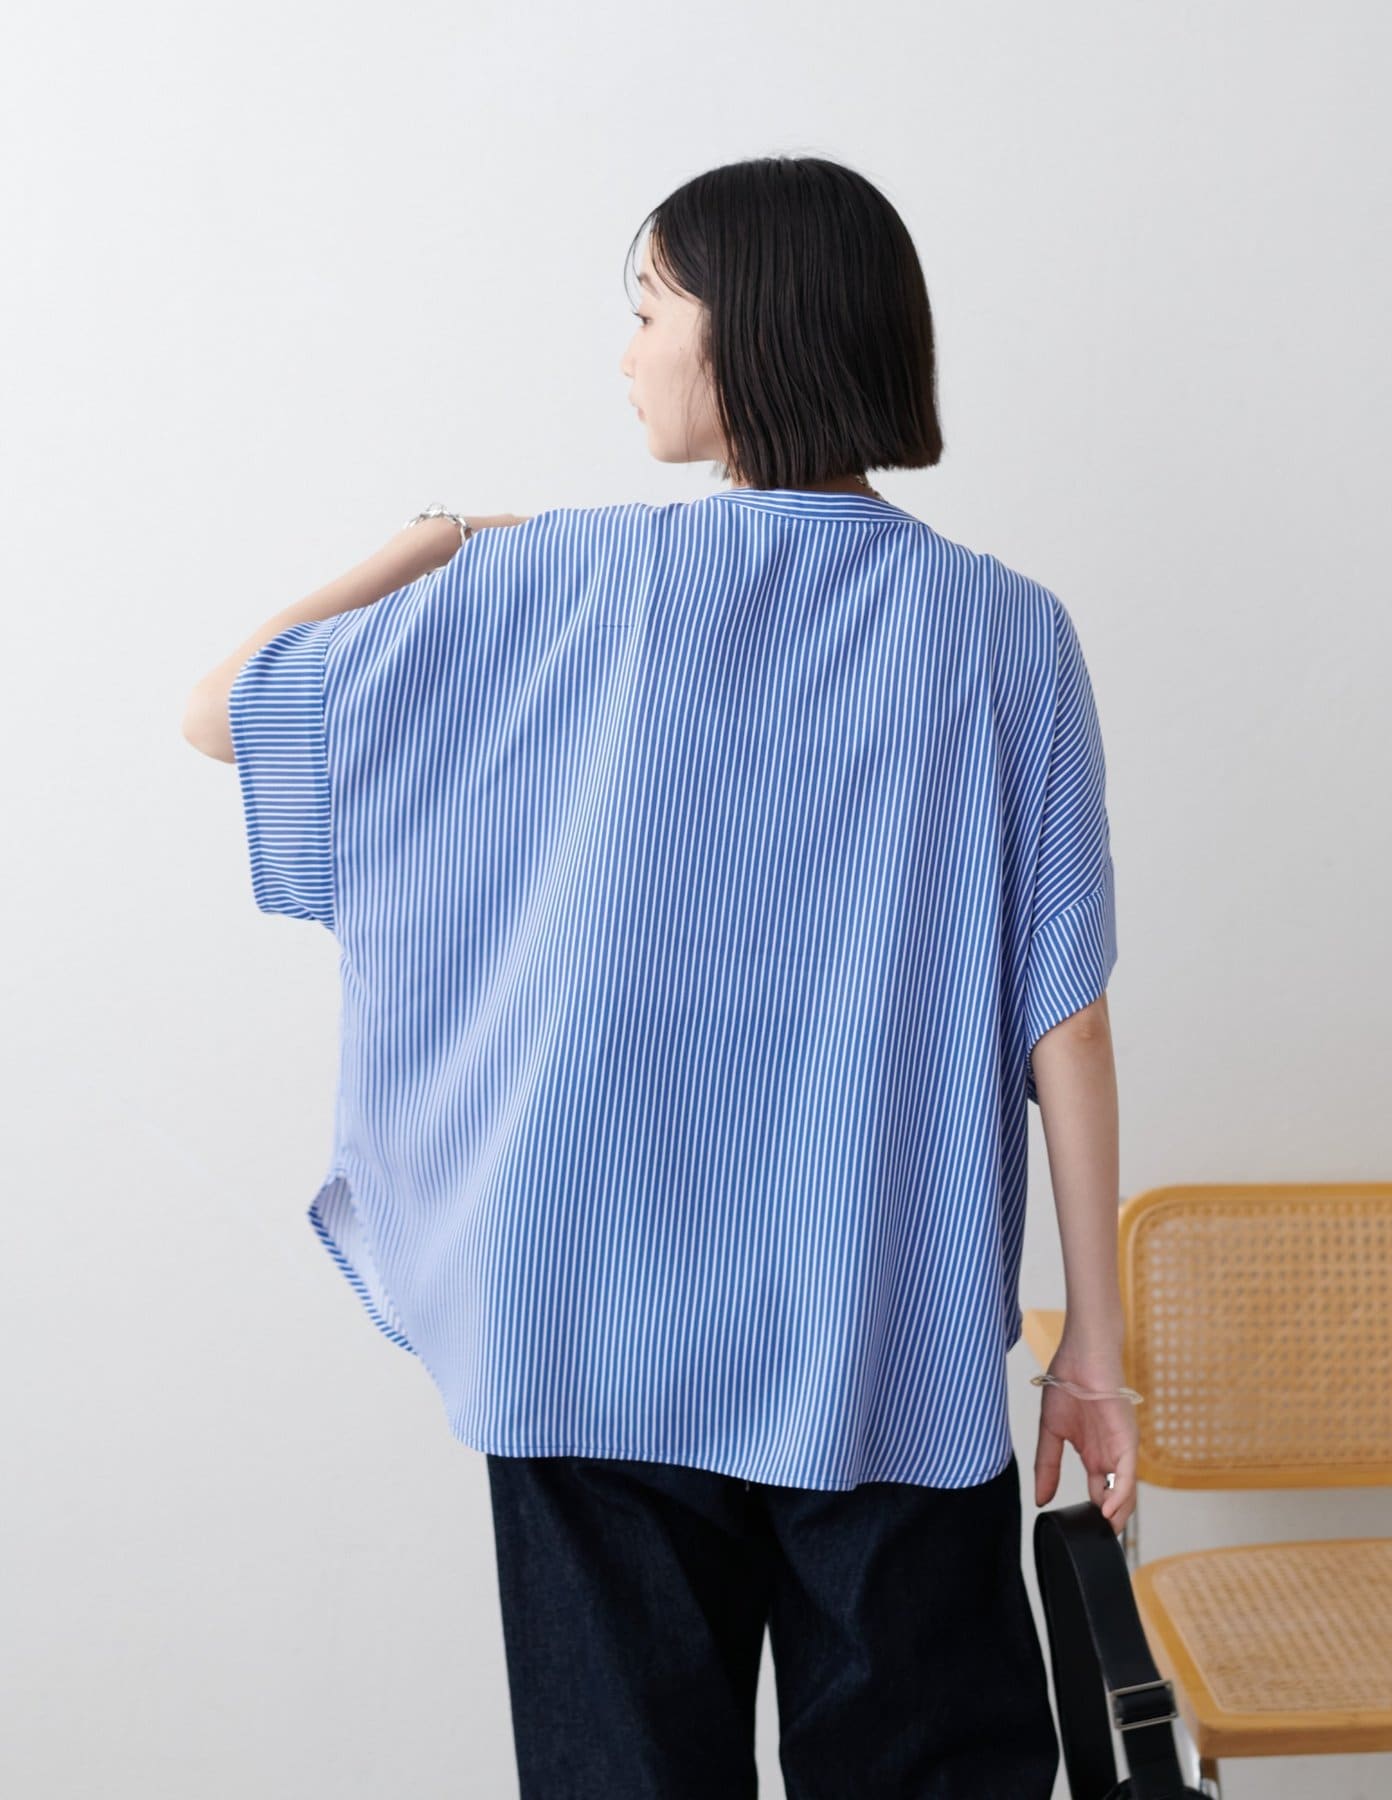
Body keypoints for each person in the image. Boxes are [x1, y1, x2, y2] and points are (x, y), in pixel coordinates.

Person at [184, 152, 1136, 1799]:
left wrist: (432, 541)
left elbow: (230, 711)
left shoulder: (557, 581)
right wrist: (1093, 1352)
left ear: (747, 333)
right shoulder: (1007, 632)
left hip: (585, 1326)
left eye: (648, 310)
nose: (624, 354)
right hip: (881, 1335)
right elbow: (1067, 1019)